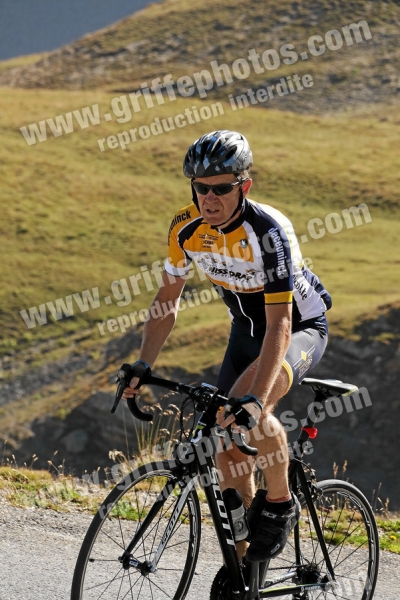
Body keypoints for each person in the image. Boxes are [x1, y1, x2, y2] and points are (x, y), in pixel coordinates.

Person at [122, 130, 332, 563]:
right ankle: (241, 573)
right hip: (246, 329)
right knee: (225, 444)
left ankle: (280, 503)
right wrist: (144, 363)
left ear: (244, 186)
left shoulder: (268, 232)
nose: (210, 198)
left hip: (297, 327)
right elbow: (167, 300)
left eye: (221, 188)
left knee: (248, 410)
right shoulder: (185, 227)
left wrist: (256, 399)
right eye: (201, 188)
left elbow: (281, 322)